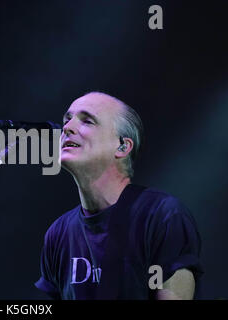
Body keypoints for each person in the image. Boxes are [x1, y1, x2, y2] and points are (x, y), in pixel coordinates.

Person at [35, 92, 203, 300]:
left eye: (87, 121)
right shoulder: (58, 234)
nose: (67, 128)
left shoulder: (163, 215)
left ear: (122, 146)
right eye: (67, 120)